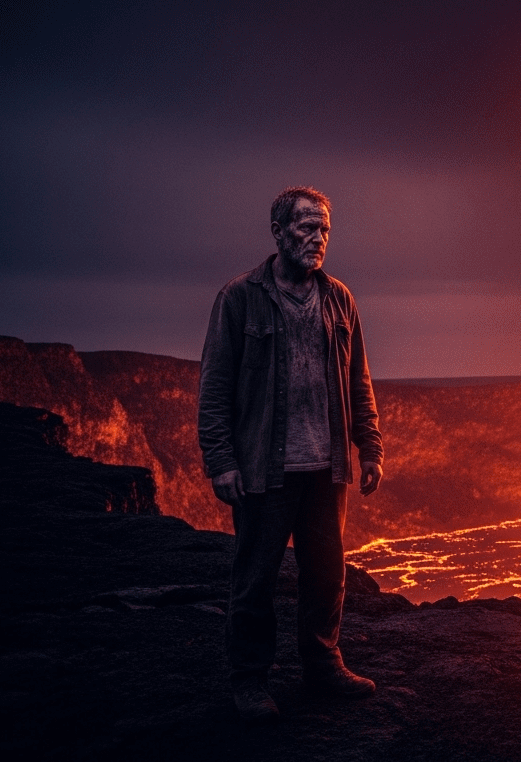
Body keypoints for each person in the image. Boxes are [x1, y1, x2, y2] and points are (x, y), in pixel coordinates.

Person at [197, 186, 384, 721]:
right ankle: (250, 680)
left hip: (327, 469)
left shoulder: (339, 299)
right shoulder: (239, 298)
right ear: (278, 232)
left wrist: (369, 447)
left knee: (326, 575)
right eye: (307, 227)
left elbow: (359, 380)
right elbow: (214, 387)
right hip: (264, 469)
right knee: (255, 579)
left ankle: (323, 666)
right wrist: (221, 461)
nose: (318, 238)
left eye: (324, 229)